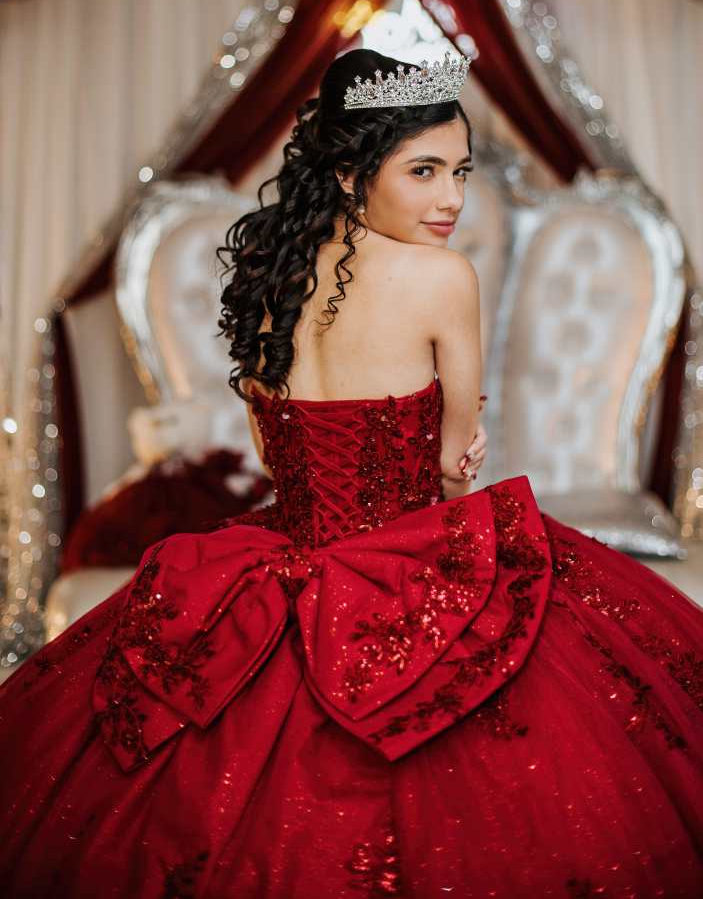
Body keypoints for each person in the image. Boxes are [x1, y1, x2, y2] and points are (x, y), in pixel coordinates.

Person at [1, 47, 702, 899]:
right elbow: (449, 469)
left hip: (274, 564)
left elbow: (275, 458)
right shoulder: (441, 276)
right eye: (424, 171)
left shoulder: (268, 277)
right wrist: (451, 464)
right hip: (409, 566)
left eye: (460, 172)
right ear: (347, 172)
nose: (450, 198)